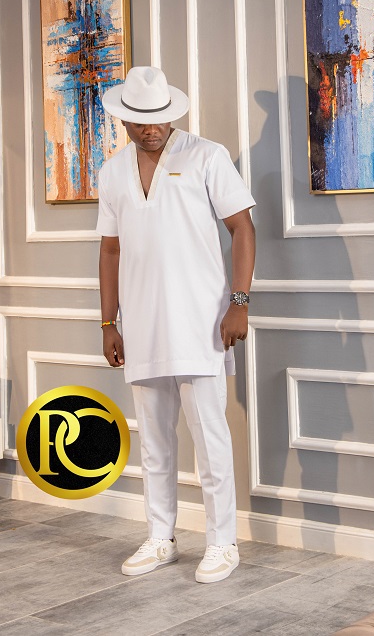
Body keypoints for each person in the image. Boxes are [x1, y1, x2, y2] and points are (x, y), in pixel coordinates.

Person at [97, 66, 255, 584]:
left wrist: (239, 302)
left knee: (211, 436)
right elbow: (110, 250)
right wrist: (108, 321)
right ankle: (160, 537)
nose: (152, 129)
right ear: (123, 121)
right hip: (141, 323)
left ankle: (222, 543)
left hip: (201, 321)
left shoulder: (206, 156)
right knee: (154, 442)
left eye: (160, 118)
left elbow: (242, 228)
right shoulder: (113, 171)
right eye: (141, 122)